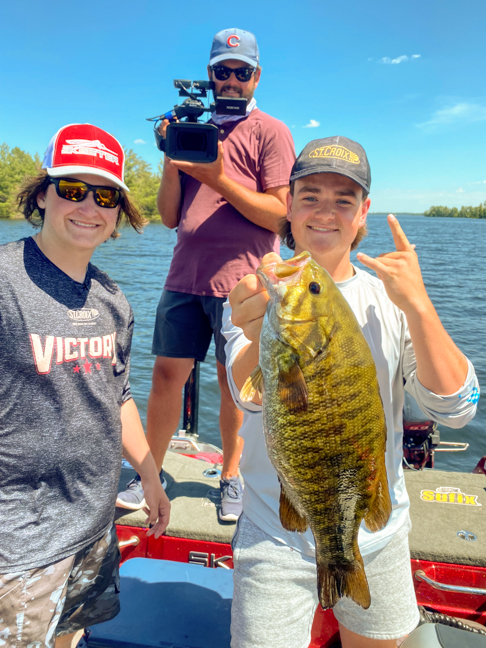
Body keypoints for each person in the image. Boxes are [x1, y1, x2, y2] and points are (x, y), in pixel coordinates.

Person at [223, 136, 479, 647]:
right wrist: (256, 335)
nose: (325, 212)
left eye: (344, 199)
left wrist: (420, 306)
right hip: (273, 532)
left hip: (379, 537)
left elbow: (458, 409)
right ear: (288, 207)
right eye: (310, 195)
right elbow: (246, 394)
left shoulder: (391, 298)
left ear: (363, 213)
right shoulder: (256, 291)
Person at [0, 123, 171, 648]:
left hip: (94, 525)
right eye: (73, 189)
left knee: (71, 638)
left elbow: (115, 397)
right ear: (43, 195)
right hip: (19, 540)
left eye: (105, 196)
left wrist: (149, 474)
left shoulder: (112, 300)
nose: (89, 207)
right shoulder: (5, 281)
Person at [116, 28, 295, 522]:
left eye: (242, 72)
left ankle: (232, 477)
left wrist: (217, 177)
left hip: (246, 282)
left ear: (256, 76)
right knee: (166, 376)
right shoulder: (190, 127)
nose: (231, 80)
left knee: (235, 381)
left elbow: (280, 214)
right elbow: (170, 216)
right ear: (210, 74)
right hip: (183, 277)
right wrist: (174, 155)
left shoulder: (271, 131)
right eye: (223, 71)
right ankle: (149, 473)